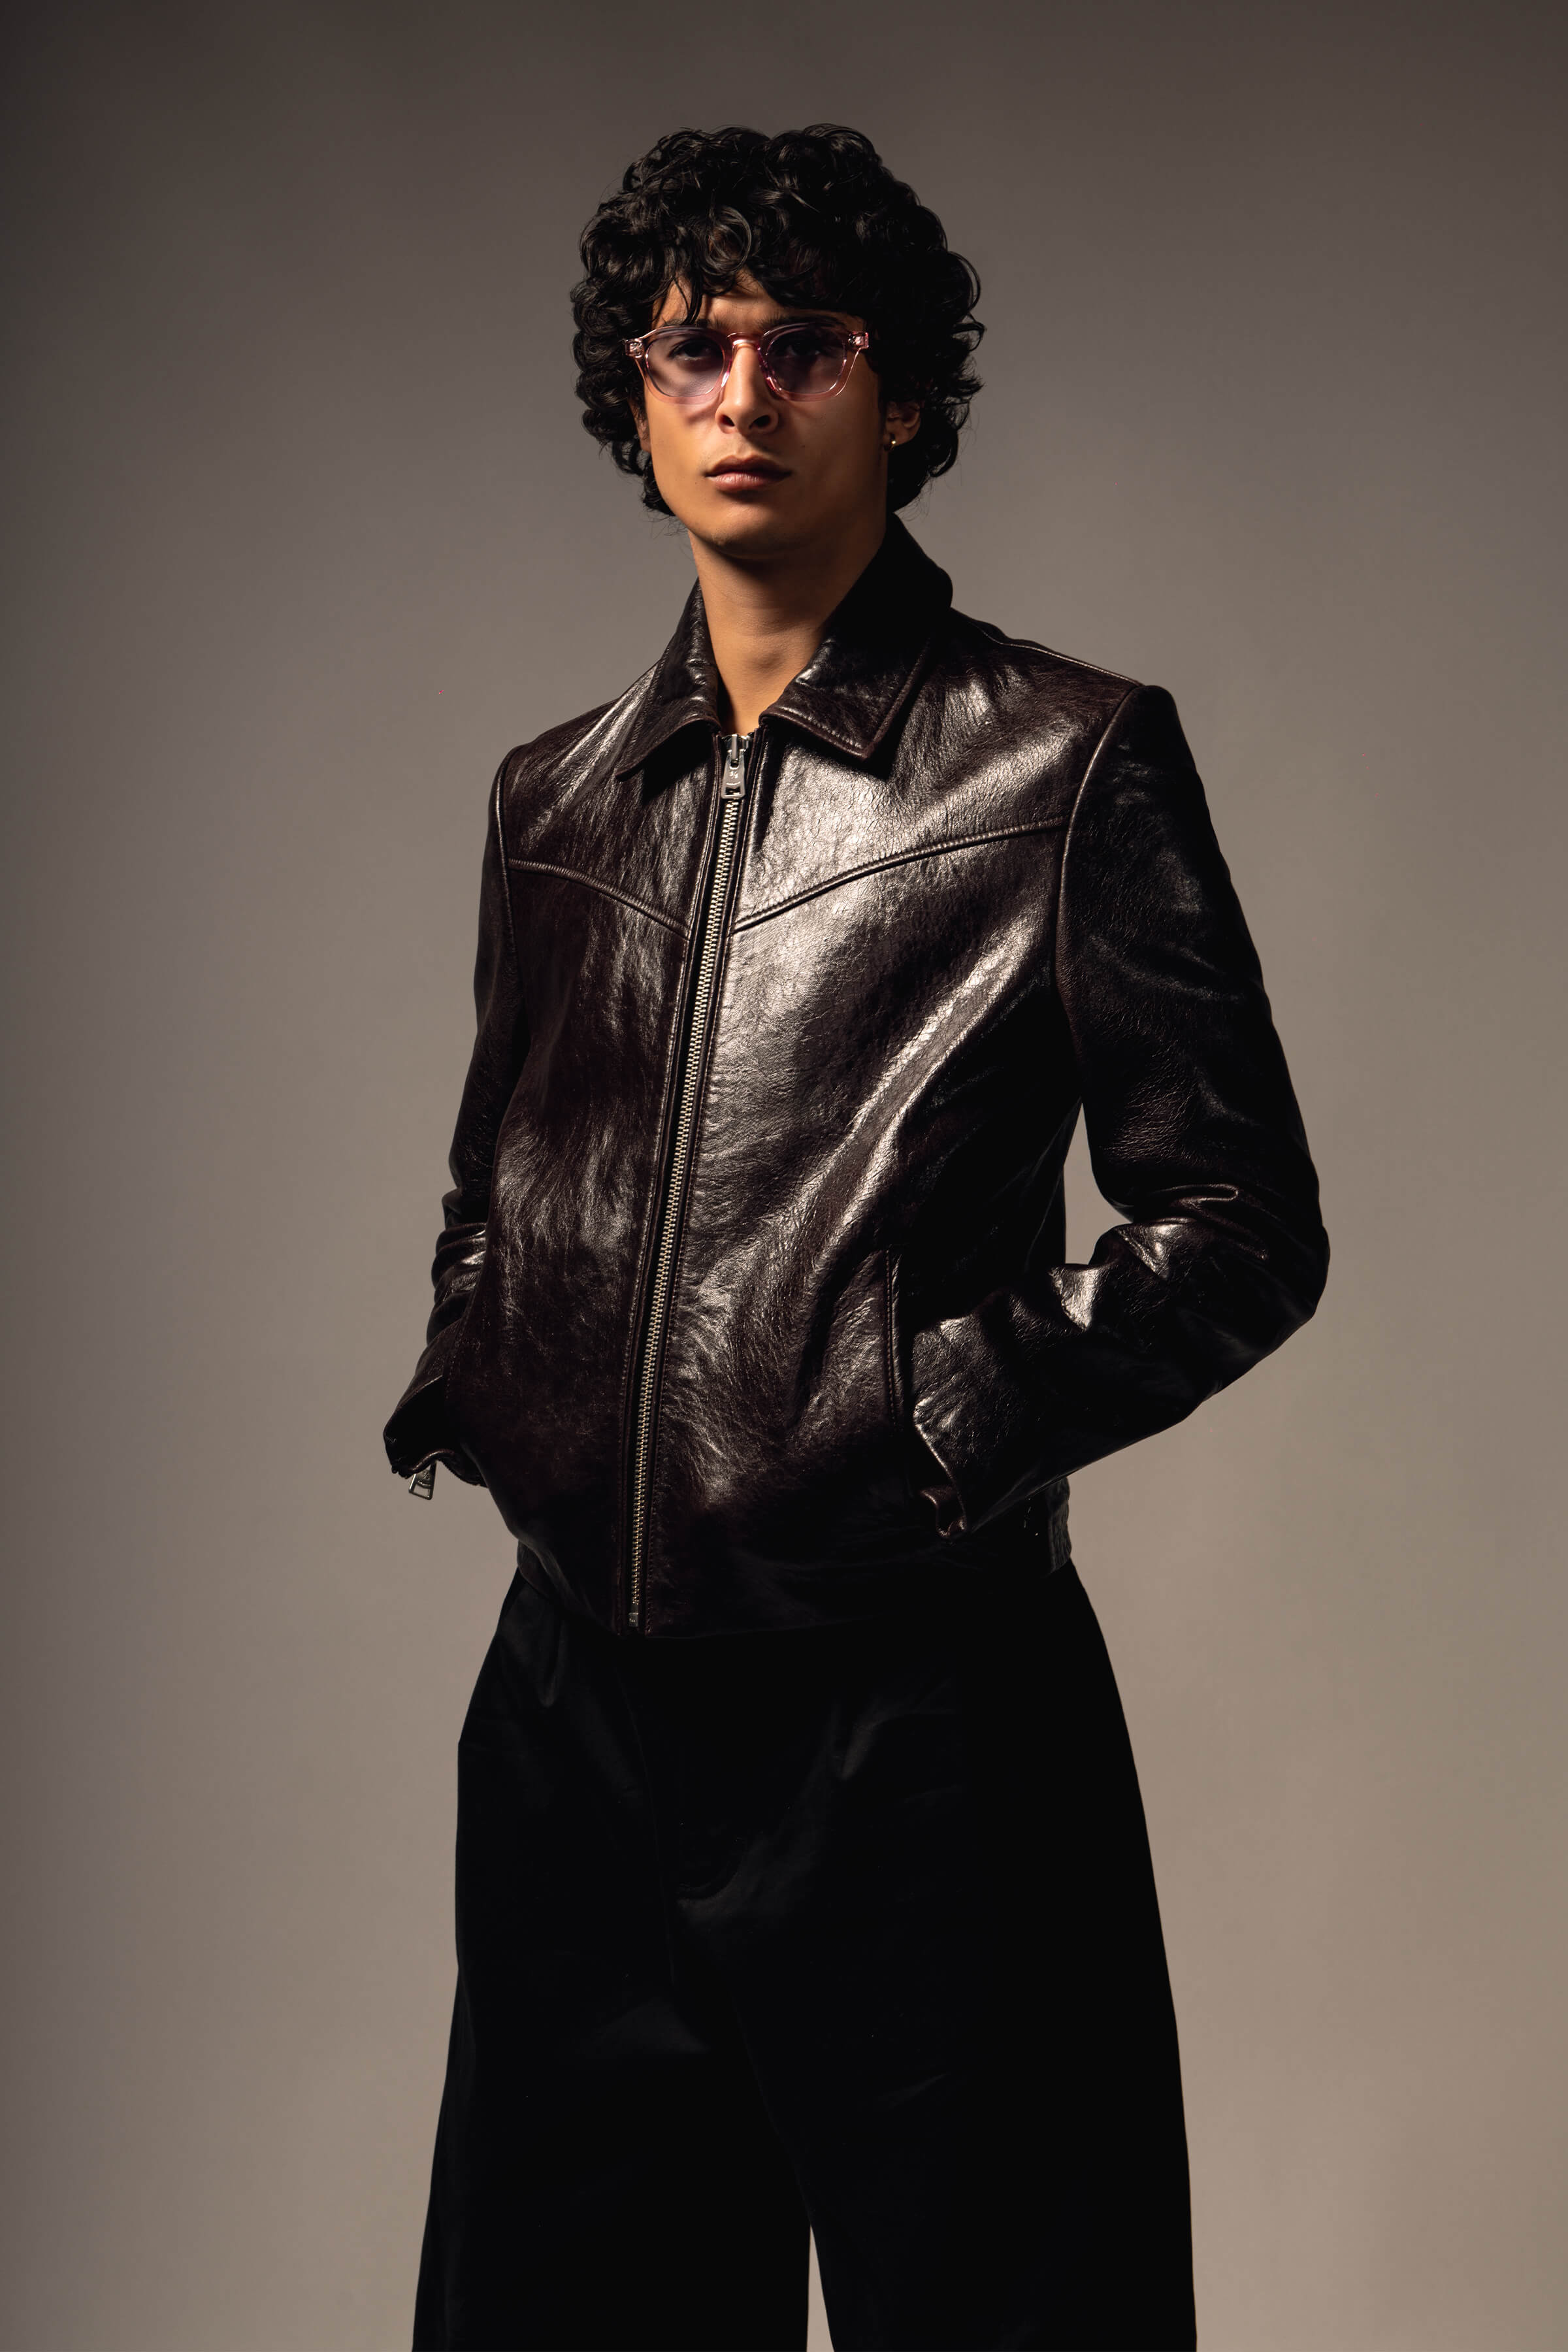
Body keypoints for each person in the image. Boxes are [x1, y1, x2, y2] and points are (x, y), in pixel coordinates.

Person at [384, 123, 1328, 2352]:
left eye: (802, 345)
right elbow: (496, 1167)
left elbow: (1240, 1222)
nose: (742, 395)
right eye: (692, 349)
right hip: (576, 1720)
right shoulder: (552, 797)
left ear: (901, 398)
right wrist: (482, 1364)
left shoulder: (1064, 767)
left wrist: (927, 1419)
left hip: (917, 1733)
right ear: (634, 400)